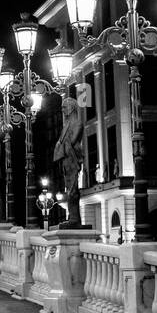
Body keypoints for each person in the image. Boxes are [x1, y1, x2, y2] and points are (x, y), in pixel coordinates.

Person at [53, 90, 85, 226]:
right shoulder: (66, 125)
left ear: (72, 108)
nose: (63, 110)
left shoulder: (77, 123)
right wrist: (60, 145)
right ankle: (72, 217)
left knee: (72, 190)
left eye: (64, 107)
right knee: (69, 189)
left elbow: (70, 142)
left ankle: (74, 219)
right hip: (66, 159)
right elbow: (61, 143)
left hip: (72, 159)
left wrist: (60, 145)